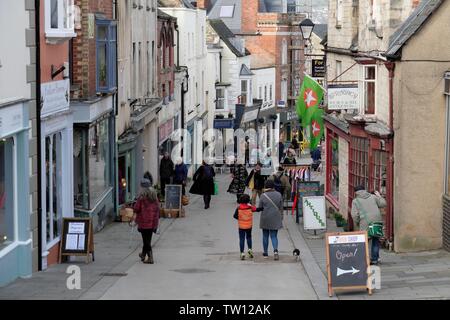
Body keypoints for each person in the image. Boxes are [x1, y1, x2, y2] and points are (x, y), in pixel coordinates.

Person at [351, 185, 387, 265]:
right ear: (365, 190)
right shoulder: (373, 197)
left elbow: (354, 215)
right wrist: (379, 196)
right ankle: (374, 259)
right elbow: (383, 204)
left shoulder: (355, 201)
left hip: (365, 222)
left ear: (356, 192)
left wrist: (357, 223)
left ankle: (365, 259)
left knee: (364, 241)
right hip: (376, 221)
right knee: (375, 240)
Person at [133, 180, 160, 264]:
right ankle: (143, 254)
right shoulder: (154, 197)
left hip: (144, 222)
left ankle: (150, 258)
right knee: (147, 239)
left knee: (146, 241)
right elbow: (157, 209)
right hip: (152, 222)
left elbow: (136, 209)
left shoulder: (141, 198)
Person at [258, 180, 284, 260]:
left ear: (266, 186)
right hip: (275, 217)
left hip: (265, 217)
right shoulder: (279, 194)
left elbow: (260, 207)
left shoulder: (263, 195)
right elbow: (281, 207)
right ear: (273, 186)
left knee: (265, 235)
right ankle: (275, 251)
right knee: (274, 236)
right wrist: (281, 216)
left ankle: (265, 253)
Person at [233, 194, 257, 260]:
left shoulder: (239, 208)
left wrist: (240, 218)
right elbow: (256, 209)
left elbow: (235, 216)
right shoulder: (250, 207)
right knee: (249, 237)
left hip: (241, 226)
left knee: (242, 239)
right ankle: (250, 249)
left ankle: (242, 252)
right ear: (248, 200)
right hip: (249, 226)